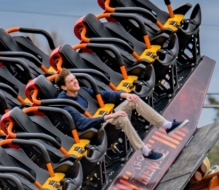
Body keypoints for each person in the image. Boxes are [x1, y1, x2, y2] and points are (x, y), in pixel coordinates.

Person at [55, 68, 187, 160]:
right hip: (93, 127)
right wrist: (109, 116)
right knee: (121, 117)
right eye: (71, 81)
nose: (75, 81)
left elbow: (103, 94)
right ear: (64, 87)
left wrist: (125, 95)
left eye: (74, 78)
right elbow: (82, 124)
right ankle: (145, 151)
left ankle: (167, 125)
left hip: (105, 116)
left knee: (134, 100)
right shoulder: (66, 105)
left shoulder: (81, 90)